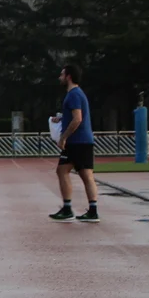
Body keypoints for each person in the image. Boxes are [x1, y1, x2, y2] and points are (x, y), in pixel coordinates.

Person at [49, 64, 99, 223]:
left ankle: (71, 209)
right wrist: (61, 119)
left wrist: (63, 137)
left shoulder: (74, 95)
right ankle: (87, 210)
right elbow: (75, 117)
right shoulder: (77, 94)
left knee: (72, 172)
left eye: (62, 74)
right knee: (76, 173)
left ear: (69, 76)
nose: (60, 78)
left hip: (77, 141)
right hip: (81, 141)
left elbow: (78, 119)